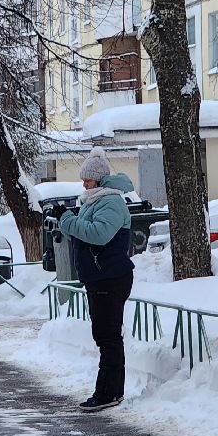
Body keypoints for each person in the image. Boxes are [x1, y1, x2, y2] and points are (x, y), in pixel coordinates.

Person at [56, 149, 135, 412]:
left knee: (108, 336)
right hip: (101, 277)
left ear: (99, 180)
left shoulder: (111, 202)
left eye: (88, 180)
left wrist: (66, 220)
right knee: (105, 335)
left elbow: (98, 234)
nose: (84, 184)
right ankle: (110, 391)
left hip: (110, 278)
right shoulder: (96, 200)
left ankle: (108, 393)